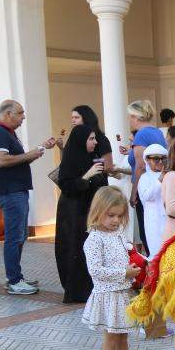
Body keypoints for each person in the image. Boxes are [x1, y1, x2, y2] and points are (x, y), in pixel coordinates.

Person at [0, 99, 56, 295]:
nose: (23, 117)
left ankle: (15, 277)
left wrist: (40, 148)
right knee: (14, 237)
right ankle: (14, 281)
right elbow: (1, 161)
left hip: (16, 191)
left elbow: (15, 158)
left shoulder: (7, 133)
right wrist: (30, 154)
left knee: (20, 236)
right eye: (20, 113)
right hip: (10, 192)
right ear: (8, 114)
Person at [81, 186, 145, 350]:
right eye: (111, 215)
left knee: (123, 336)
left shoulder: (118, 233)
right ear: (97, 211)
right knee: (111, 338)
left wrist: (139, 264)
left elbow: (127, 254)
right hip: (108, 296)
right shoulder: (94, 239)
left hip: (123, 293)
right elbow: (95, 271)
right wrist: (124, 273)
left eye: (120, 216)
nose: (116, 220)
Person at [54, 125, 108, 303]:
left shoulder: (92, 158)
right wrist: (87, 175)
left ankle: (95, 287)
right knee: (76, 248)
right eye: (91, 139)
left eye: (95, 138)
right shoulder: (70, 161)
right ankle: (78, 291)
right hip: (74, 213)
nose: (95, 142)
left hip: (91, 211)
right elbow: (67, 186)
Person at [128, 100, 165, 256]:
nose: (129, 121)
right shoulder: (157, 132)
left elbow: (141, 166)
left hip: (147, 187)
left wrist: (133, 192)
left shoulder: (141, 135)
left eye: (130, 117)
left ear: (137, 117)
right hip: (159, 184)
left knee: (148, 232)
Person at [56, 106, 113, 170]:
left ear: (86, 118)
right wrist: (61, 148)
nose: (73, 120)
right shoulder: (75, 137)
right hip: (74, 179)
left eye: (76, 117)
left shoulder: (101, 139)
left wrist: (90, 162)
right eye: (72, 118)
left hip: (95, 178)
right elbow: (65, 160)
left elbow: (108, 165)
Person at [137, 144, 168, 260]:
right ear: (147, 160)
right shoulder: (144, 178)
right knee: (157, 254)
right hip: (154, 220)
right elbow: (147, 196)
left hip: (170, 219)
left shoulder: (171, 174)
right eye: (156, 159)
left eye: (163, 158)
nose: (160, 162)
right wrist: (160, 179)